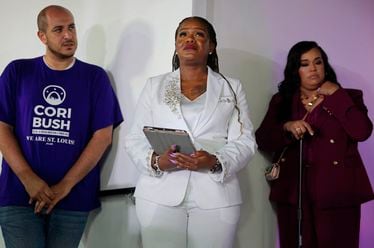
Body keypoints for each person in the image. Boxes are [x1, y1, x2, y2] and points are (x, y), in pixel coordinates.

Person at [125, 16, 256, 248]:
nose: (189, 39)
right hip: (159, 194)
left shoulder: (231, 87)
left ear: (211, 46)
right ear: (176, 44)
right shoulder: (156, 86)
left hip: (216, 194)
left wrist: (216, 161)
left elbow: (245, 141)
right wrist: (156, 161)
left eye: (199, 34)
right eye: (183, 34)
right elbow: (135, 138)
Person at [0, 5, 123, 248]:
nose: (68, 35)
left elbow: (102, 137)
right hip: (18, 195)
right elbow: (2, 127)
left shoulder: (95, 77)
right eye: (58, 30)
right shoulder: (18, 71)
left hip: (72, 198)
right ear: (42, 36)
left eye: (71, 27)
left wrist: (65, 186)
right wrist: (27, 178)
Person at [255, 41, 373, 248]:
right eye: (304, 63)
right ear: (295, 70)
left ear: (325, 66)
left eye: (318, 62)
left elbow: (362, 131)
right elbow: (262, 139)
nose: (313, 68)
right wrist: (287, 127)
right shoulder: (282, 100)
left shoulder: (349, 97)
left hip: (337, 192)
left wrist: (336, 95)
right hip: (295, 191)